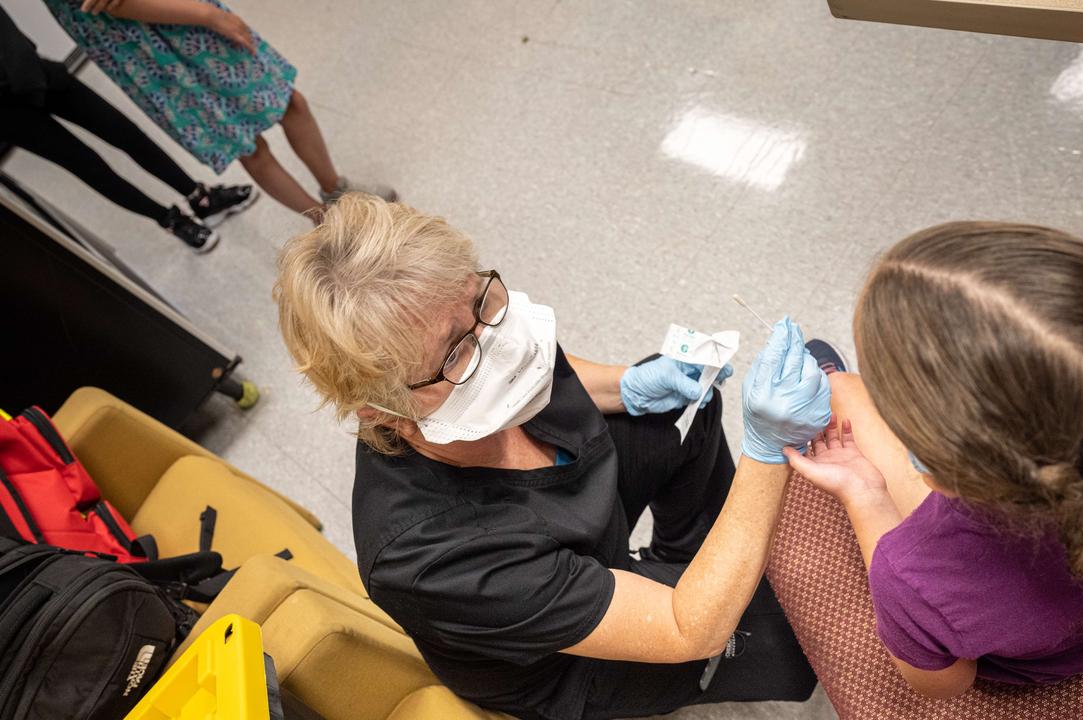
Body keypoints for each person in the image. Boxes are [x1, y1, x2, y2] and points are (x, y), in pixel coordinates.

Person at [273, 194, 835, 720]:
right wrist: (766, 455)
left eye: (482, 301)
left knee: (687, 417)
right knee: (787, 622)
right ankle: (708, 589)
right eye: (458, 352)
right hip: (567, 661)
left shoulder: (480, 346)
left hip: (584, 531)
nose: (500, 346)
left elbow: (550, 368)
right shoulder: (428, 557)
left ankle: (692, 557)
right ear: (384, 411)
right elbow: (688, 627)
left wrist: (630, 384)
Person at [784, 222, 1083, 698]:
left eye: (900, 411)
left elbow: (944, 686)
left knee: (841, 392)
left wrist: (866, 496)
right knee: (845, 391)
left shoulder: (916, 575)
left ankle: (838, 385)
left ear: (942, 472)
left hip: (1051, 664)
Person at [44, 0, 395, 222]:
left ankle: (335, 188)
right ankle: (325, 222)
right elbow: (115, 4)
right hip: (153, 51)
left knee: (289, 101)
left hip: (188, 20)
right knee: (246, 144)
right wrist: (209, 15)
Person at [0, 7, 254, 251]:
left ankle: (200, 197)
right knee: (86, 164)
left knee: (124, 132)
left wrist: (27, 67)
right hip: (8, 113)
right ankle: (169, 220)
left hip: (32, 71)